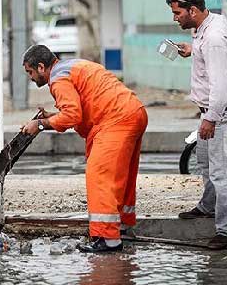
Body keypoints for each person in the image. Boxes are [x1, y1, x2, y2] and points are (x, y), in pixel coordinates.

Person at [20, 45, 148, 253]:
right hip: (134, 112)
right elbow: (83, 105)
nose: (31, 78)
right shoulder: (72, 66)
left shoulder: (58, 80)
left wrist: (40, 125)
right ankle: (122, 227)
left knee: (99, 176)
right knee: (122, 177)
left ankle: (108, 239)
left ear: (41, 67)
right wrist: (52, 116)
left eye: (30, 72)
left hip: (115, 119)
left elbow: (72, 115)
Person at [166, 0, 227, 250]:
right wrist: (192, 50)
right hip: (214, 112)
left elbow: (222, 84)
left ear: (192, 10)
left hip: (223, 115)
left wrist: (211, 119)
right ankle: (208, 206)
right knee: (204, 160)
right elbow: (212, 55)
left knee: (222, 172)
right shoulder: (208, 25)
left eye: (178, 13)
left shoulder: (212, 38)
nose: (175, 18)